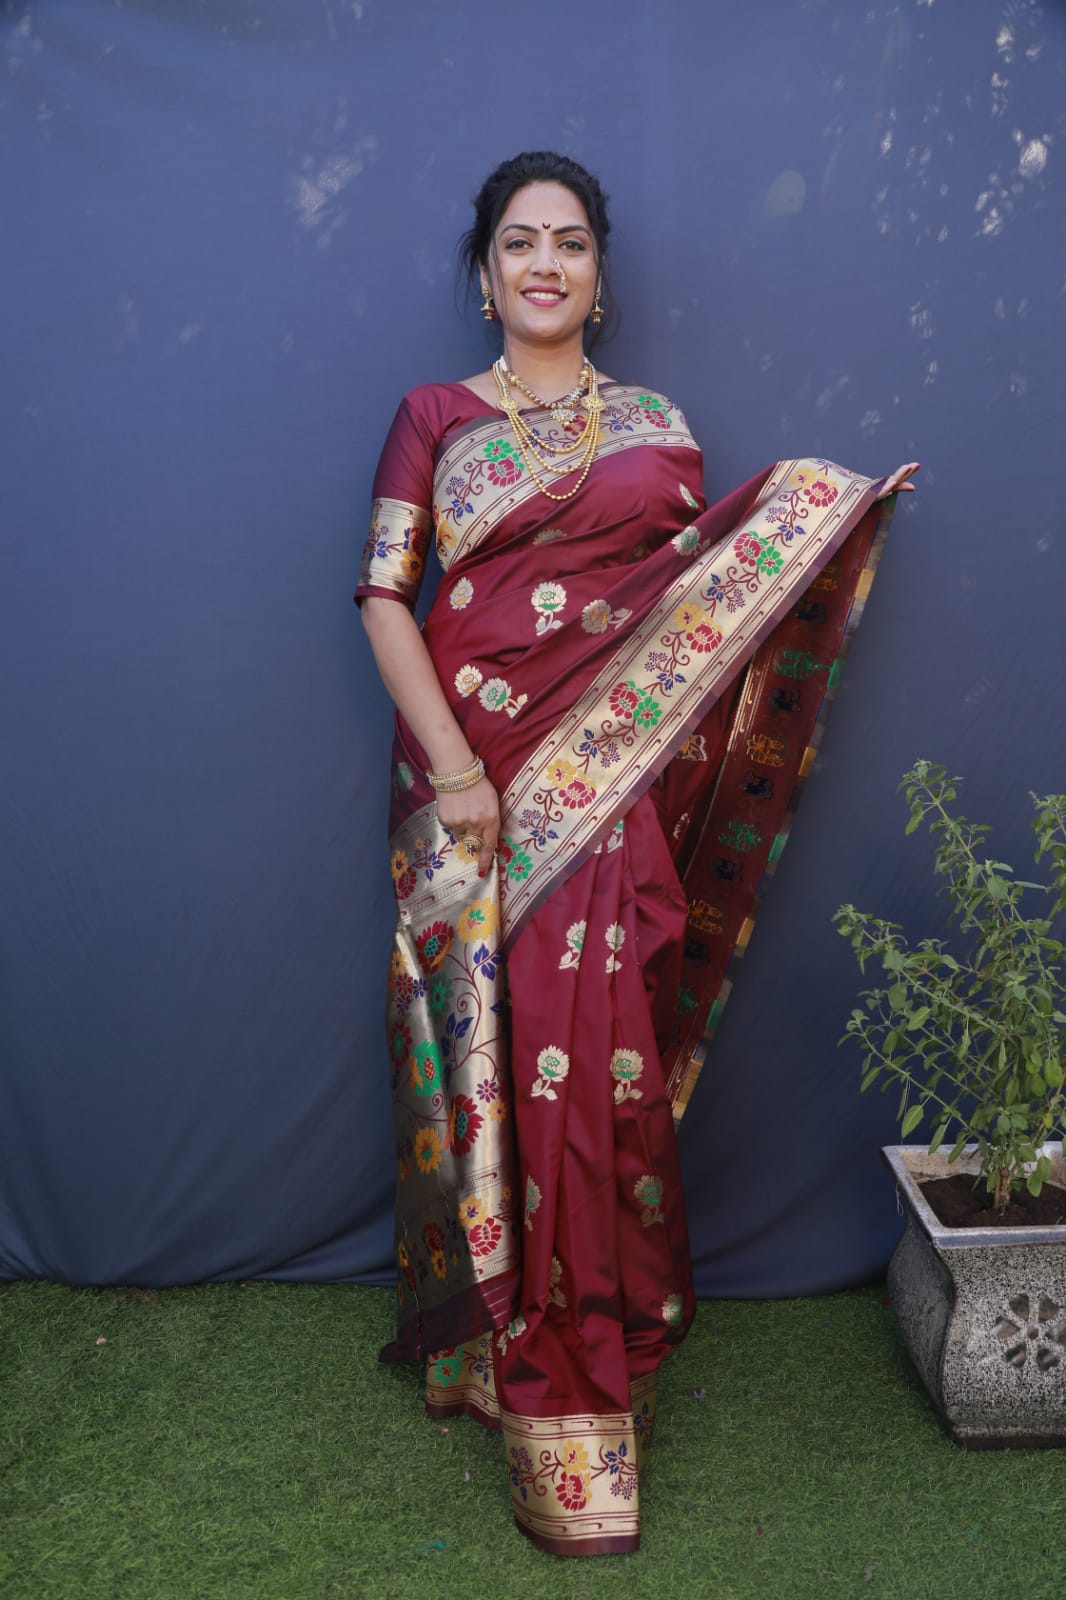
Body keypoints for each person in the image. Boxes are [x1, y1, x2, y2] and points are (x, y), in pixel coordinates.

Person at [356, 150, 918, 1558]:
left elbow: (693, 620)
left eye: (569, 245)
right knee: (498, 1062)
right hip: (475, 790)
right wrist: (462, 770)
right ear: (484, 274)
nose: (544, 264)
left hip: (612, 803)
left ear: (598, 279)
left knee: (597, 1073)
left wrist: (814, 518)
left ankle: (592, 1349)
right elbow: (381, 600)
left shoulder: (660, 427)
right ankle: (504, 1349)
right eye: (518, 243)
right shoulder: (432, 418)